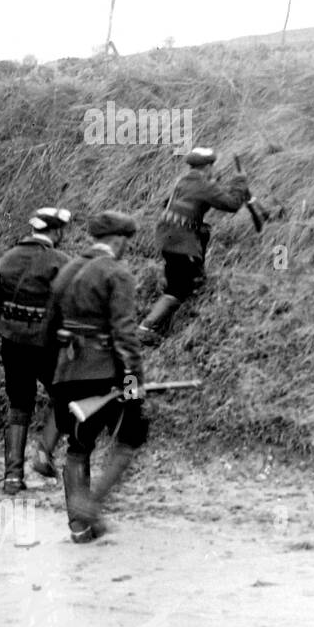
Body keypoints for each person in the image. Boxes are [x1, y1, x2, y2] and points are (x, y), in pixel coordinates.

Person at [46, 211, 148, 543]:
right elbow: (125, 334)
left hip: (67, 370)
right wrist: (136, 382)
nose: (125, 249)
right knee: (131, 434)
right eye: (125, 243)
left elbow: (50, 325)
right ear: (118, 240)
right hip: (109, 371)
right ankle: (90, 504)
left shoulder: (67, 270)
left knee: (78, 445)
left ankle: (79, 527)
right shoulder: (116, 273)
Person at [0, 206, 72, 493]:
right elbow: (69, 306)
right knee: (65, 395)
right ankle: (44, 453)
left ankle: (12, 477)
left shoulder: (7, 258)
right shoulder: (61, 261)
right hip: (46, 344)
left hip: (11, 342)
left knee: (19, 404)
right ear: (56, 231)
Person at [139, 147, 250, 344]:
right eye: (212, 167)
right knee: (179, 290)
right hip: (182, 243)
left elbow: (170, 203)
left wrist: (214, 187)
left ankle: (188, 281)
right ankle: (146, 327)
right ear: (207, 167)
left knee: (186, 261)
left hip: (166, 237)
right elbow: (232, 204)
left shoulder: (183, 181)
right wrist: (239, 182)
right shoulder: (203, 185)